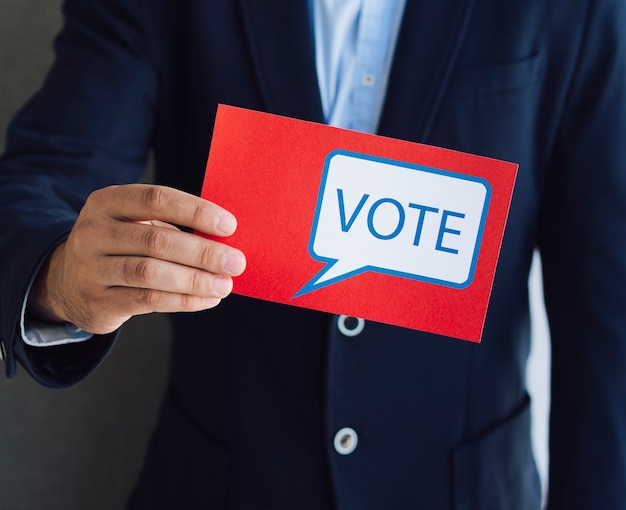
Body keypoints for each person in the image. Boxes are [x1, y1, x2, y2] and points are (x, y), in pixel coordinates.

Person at [0, 0, 625, 508]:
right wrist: (59, 278)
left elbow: (607, 314)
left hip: (468, 486)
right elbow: (45, 177)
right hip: (221, 483)